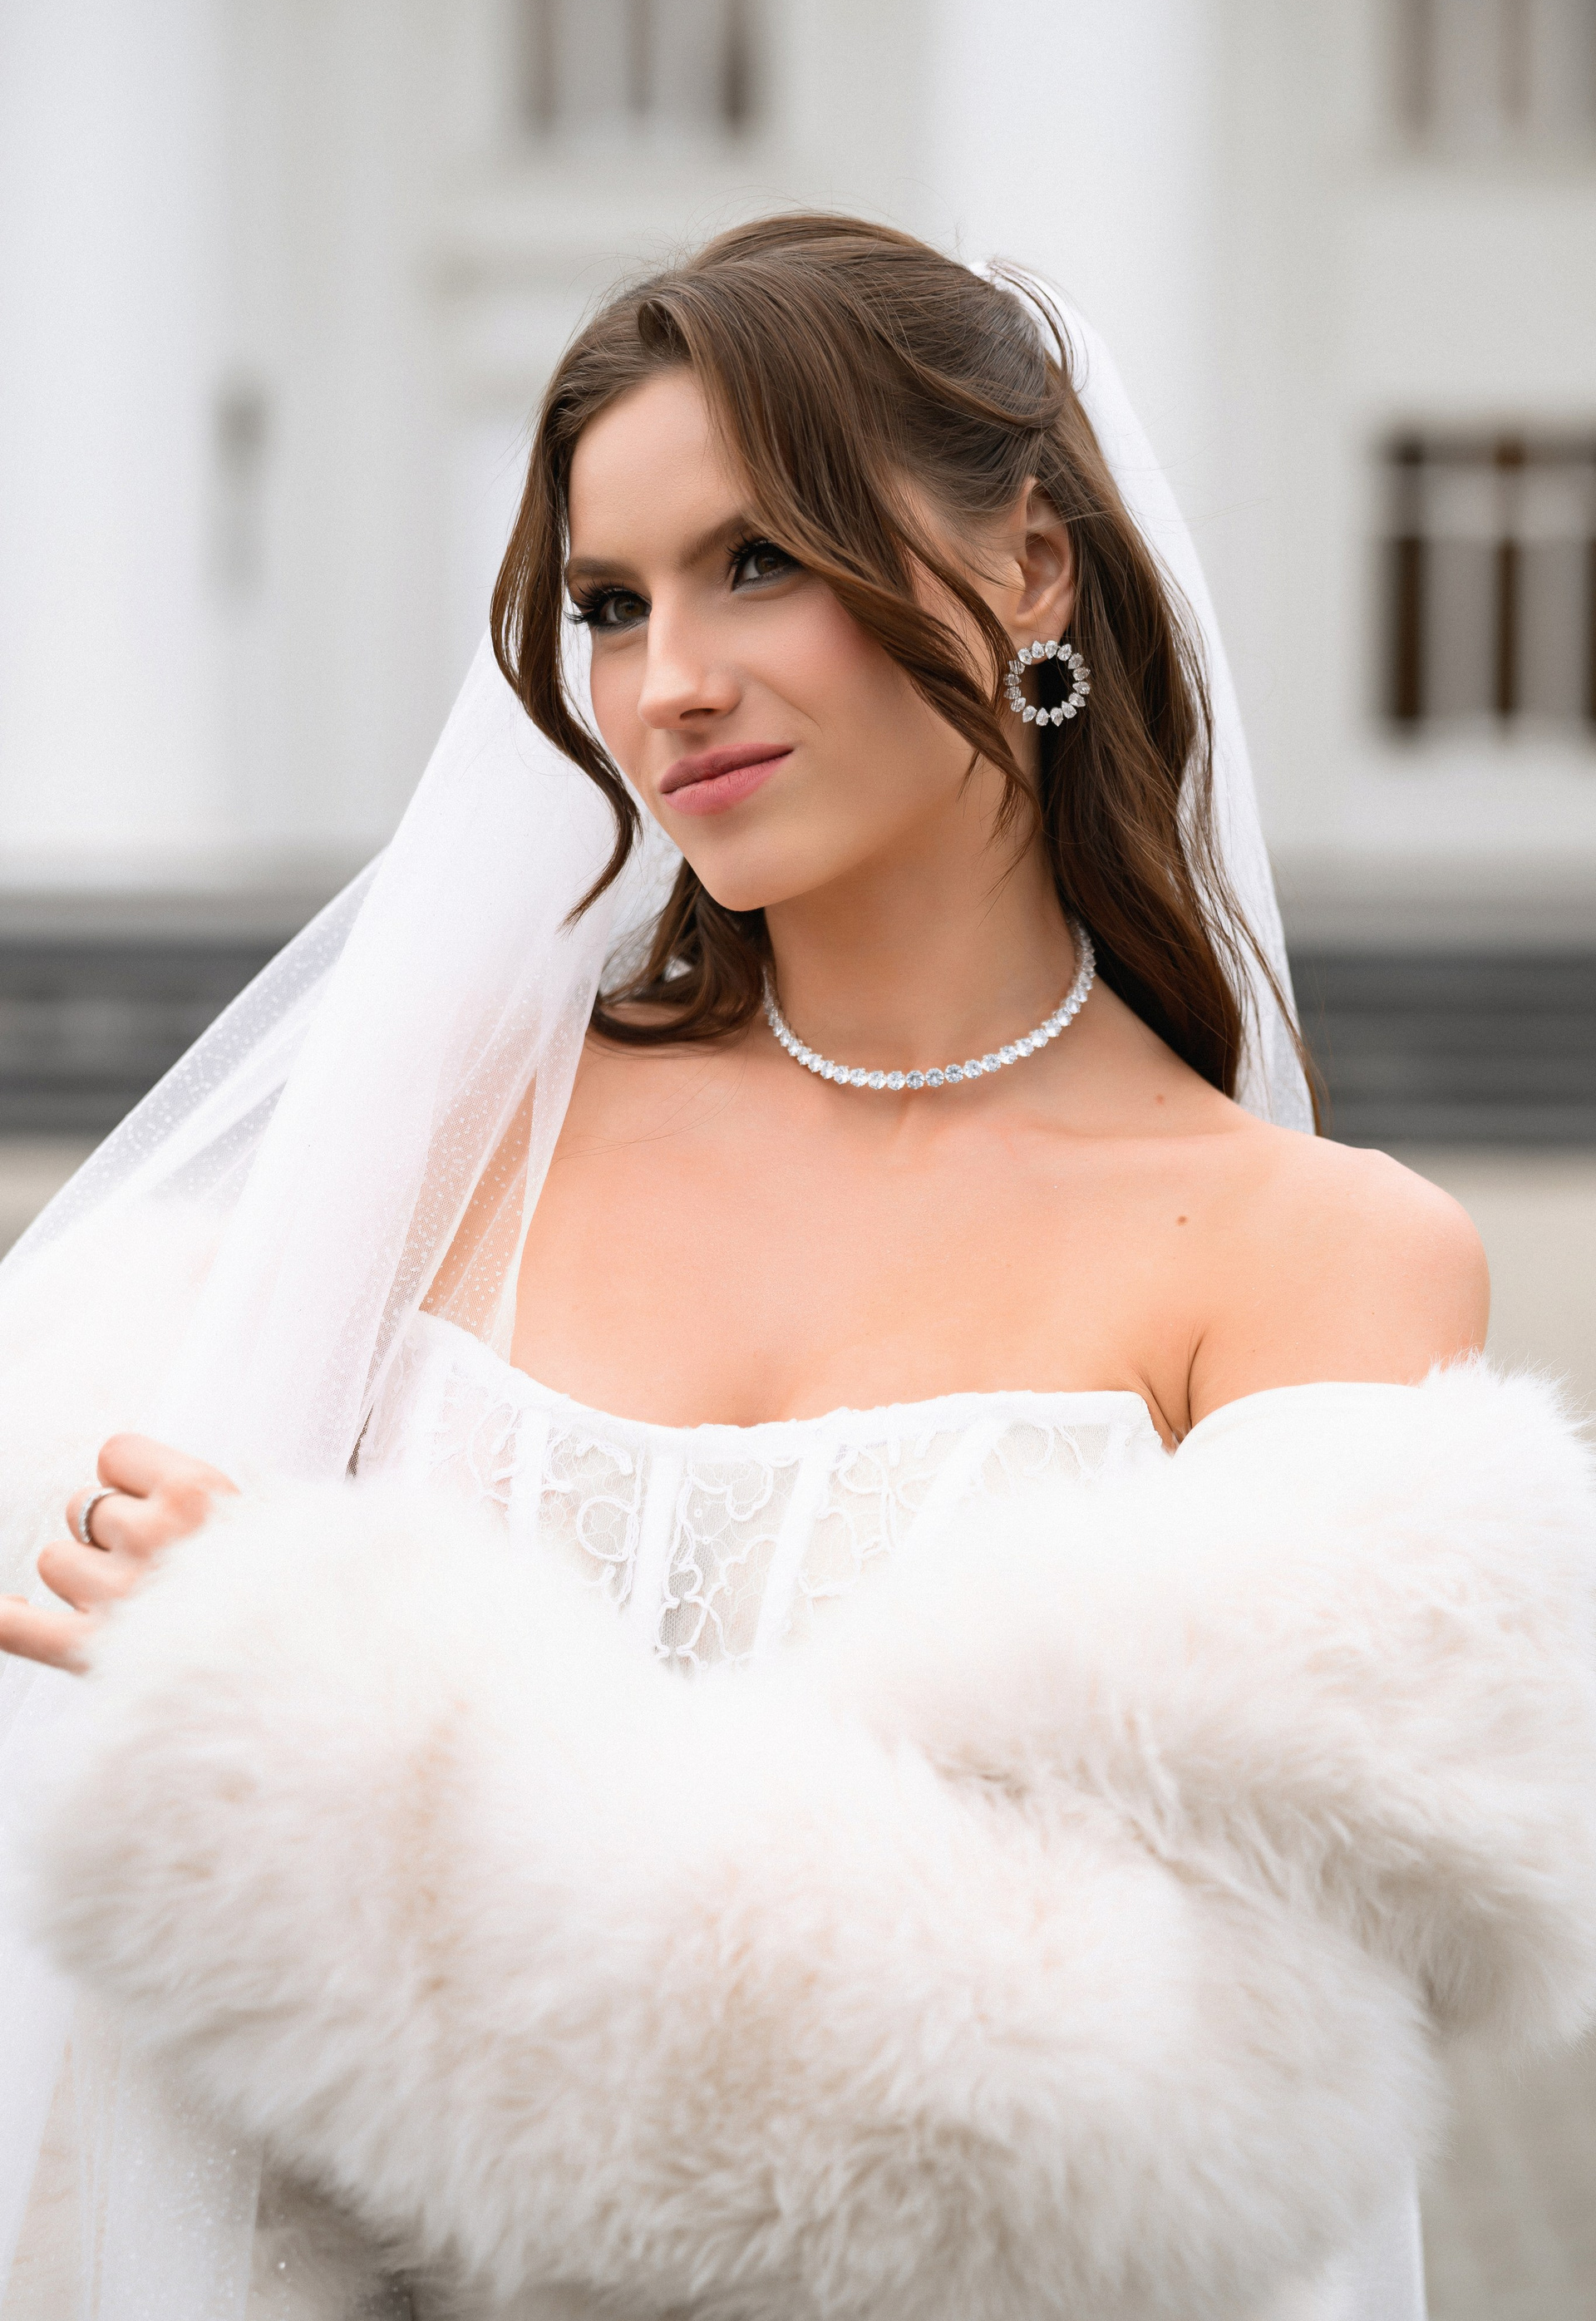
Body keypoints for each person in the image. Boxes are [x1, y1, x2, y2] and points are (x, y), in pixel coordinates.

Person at [0, 215, 1593, 2321]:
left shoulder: (1318, 1262)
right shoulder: (449, 1145)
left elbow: (1148, 2116)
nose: (669, 682)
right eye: (609, 604)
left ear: (1033, 568)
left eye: (757, 562)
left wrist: (304, 1713)